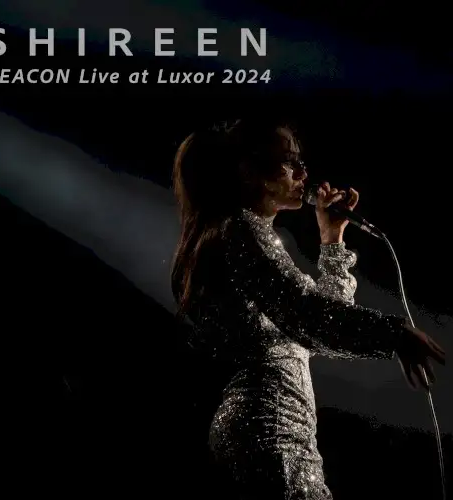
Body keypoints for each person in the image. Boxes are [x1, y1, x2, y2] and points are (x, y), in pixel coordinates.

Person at [170, 119, 445, 499]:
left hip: (272, 430)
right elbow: (309, 317)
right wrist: (393, 333)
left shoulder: (245, 233)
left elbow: (320, 322)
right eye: (289, 161)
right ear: (251, 172)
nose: (304, 173)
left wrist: (332, 240)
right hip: (270, 431)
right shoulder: (240, 232)